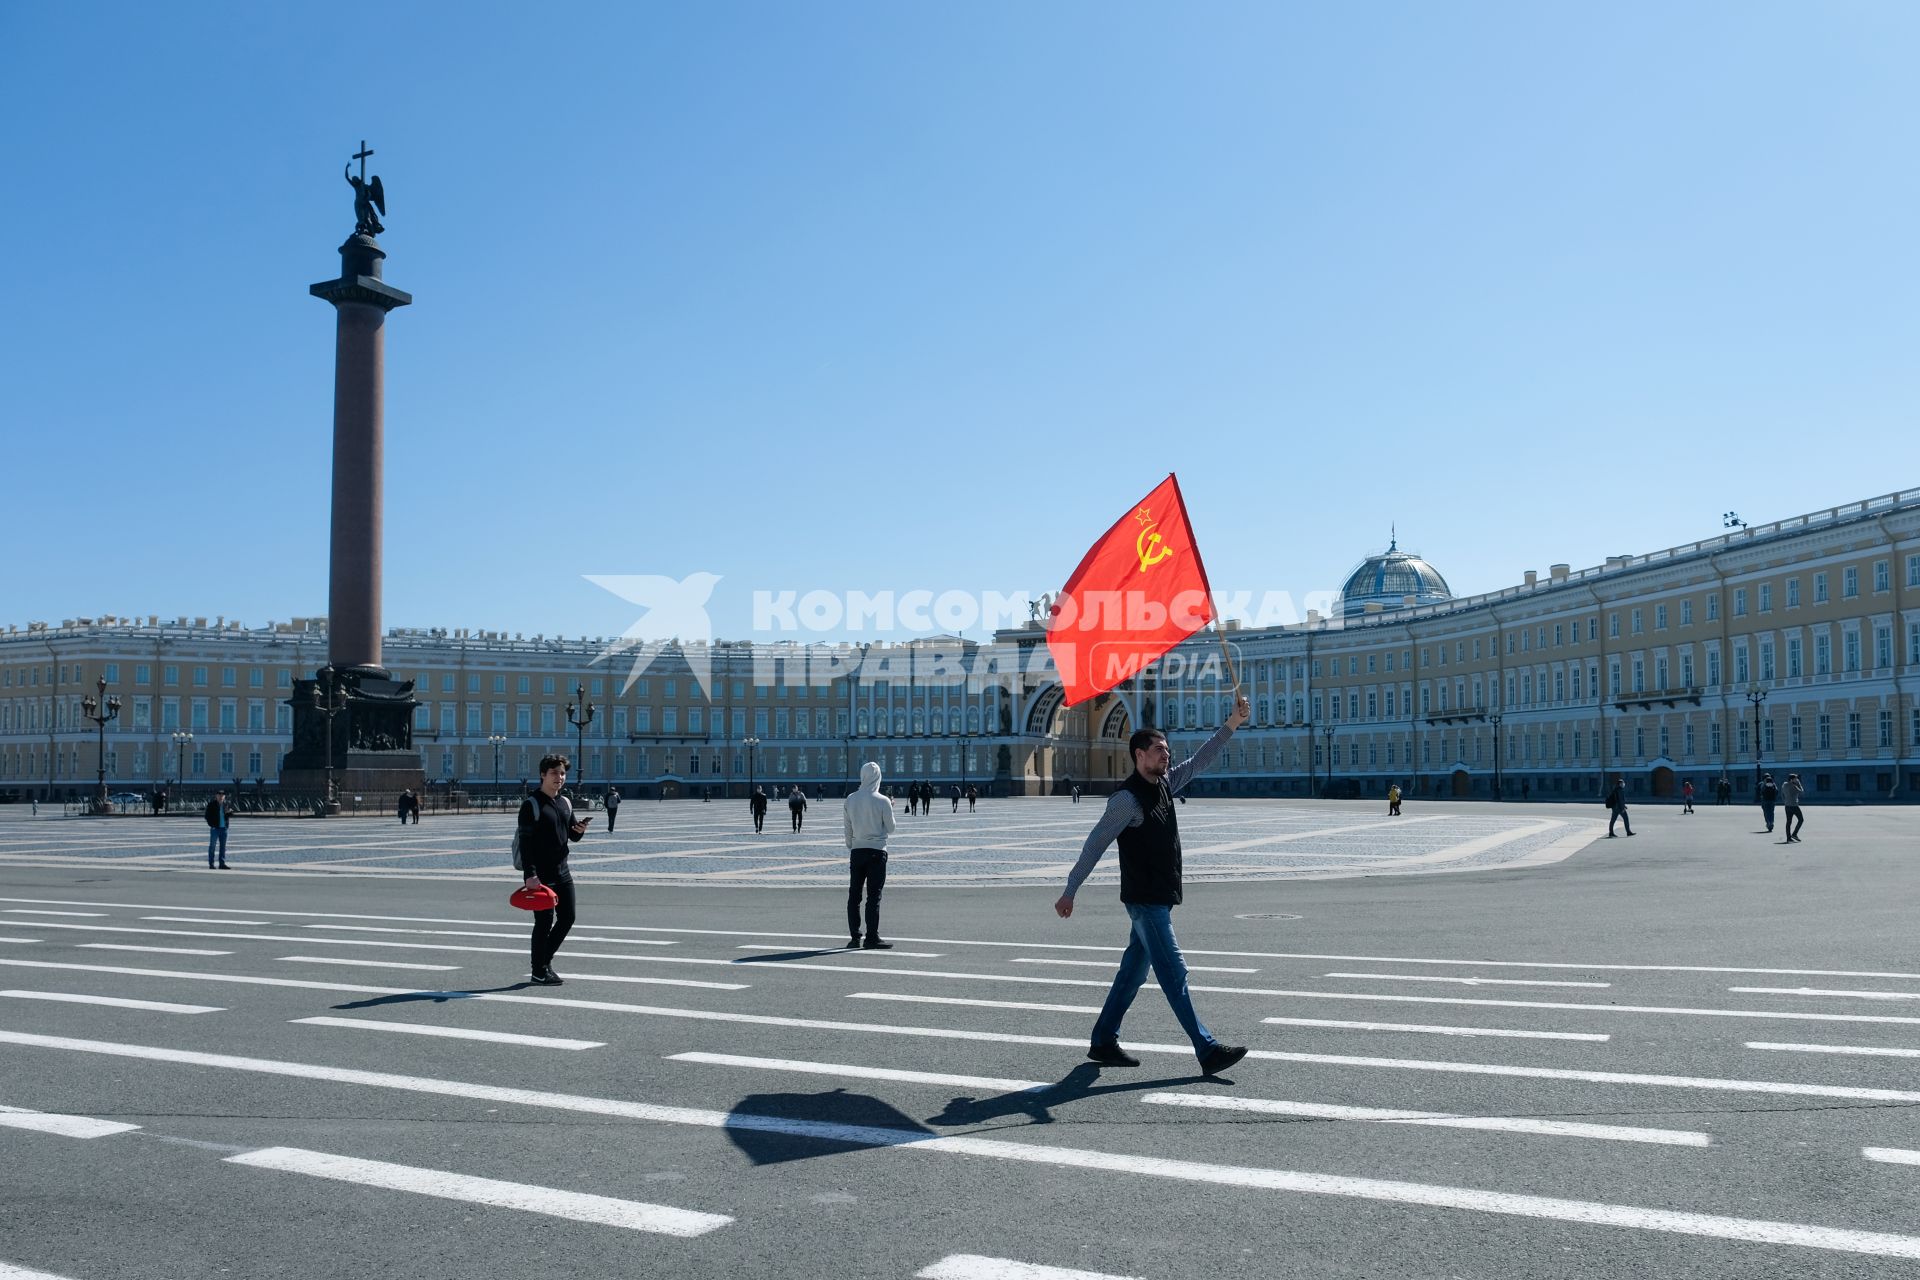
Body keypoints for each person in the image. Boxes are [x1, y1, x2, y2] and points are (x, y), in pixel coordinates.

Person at [1054, 693, 1252, 1078]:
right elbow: (1095, 844)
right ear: (1139, 755)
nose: (1166, 755)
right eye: (1159, 749)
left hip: (1158, 896)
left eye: (1166, 749)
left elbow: (1200, 760)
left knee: (1132, 972)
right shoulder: (1126, 800)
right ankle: (1207, 1049)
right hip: (1146, 901)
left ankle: (1103, 1040)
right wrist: (1070, 889)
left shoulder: (1165, 783)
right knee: (1174, 974)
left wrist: (1231, 724)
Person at [518, 754, 589, 985]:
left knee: (568, 917)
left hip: (563, 871)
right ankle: (539, 970)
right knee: (544, 921)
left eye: (562, 773)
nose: (559, 777)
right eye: (554, 773)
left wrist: (579, 830)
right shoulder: (532, 804)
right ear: (542, 775)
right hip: (541, 874)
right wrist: (530, 875)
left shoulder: (565, 802)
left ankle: (543, 962)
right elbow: (525, 844)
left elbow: (571, 836)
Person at [844, 760, 898, 949]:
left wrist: (853, 846)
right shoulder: (883, 800)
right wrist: (890, 807)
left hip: (857, 851)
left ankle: (854, 937)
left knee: (854, 895)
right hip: (877, 852)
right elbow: (891, 829)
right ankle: (871, 937)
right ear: (878, 777)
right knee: (873, 896)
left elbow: (847, 830)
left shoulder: (851, 799)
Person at [204, 789, 233, 868]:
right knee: (212, 846)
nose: (221, 796)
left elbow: (228, 815)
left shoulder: (226, 804)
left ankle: (222, 863)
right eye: (219, 794)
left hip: (224, 829)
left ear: (224, 796)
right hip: (215, 829)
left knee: (223, 847)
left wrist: (229, 813)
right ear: (216, 796)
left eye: (222, 795)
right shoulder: (211, 804)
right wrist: (212, 825)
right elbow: (207, 816)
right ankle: (211, 864)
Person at [1782, 773, 1805, 842]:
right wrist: (1799, 783)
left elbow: (1782, 794)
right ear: (1792, 779)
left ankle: (1788, 838)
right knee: (1801, 820)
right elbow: (1802, 791)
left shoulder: (1784, 785)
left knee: (1788, 822)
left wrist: (1786, 801)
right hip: (1794, 806)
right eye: (1796, 778)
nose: (1797, 779)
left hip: (1787, 806)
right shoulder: (1793, 786)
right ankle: (1794, 834)